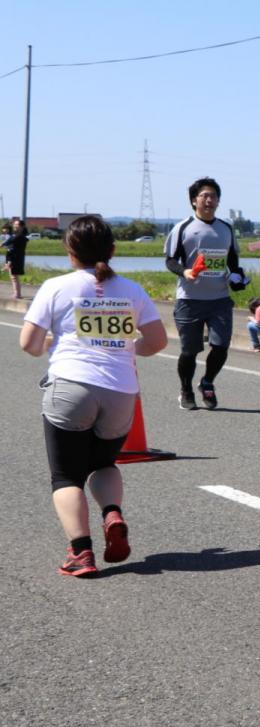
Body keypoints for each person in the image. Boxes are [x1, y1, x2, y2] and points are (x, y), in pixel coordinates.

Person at [19, 215, 168, 577]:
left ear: (70, 252)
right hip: (120, 391)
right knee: (103, 464)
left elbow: (29, 344)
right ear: (113, 251)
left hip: (71, 386)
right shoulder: (132, 290)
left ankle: (81, 554)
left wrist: (52, 344)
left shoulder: (56, 287)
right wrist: (128, 347)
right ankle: (111, 512)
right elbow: (157, 342)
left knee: (66, 476)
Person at [164, 177, 249, 410]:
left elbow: (233, 263)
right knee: (190, 351)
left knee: (221, 346)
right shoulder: (183, 228)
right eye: (204, 196)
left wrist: (238, 279)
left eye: (213, 196)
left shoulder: (226, 229)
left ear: (218, 201)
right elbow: (170, 260)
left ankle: (207, 382)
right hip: (189, 300)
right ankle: (186, 389)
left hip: (219, 299)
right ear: (194, 201)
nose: (209, 200)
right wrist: (185, 271)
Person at [4, 217, 29, 299]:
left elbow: (13, 247)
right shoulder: (15, 235)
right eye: (14, 224)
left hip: (15, 258)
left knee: (14, 276)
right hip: (12, 257)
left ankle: (17, 294)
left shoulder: (20, 237)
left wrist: (10, 261)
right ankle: (17, 293)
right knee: (13, 276)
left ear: (22, 227)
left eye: (17, 224)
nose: (15, 226)